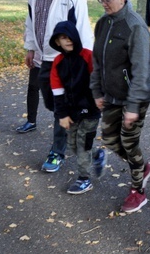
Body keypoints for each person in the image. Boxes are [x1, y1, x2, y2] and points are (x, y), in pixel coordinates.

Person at [21, 0, 94, 174]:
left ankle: (57, 152)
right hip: (43, 60)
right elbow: (31, 23)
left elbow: (83, 32)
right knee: (53, 105)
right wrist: (30, 48)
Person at [91, 0, 150, 213]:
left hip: (135, 95)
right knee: (110, 140)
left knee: (129, 143)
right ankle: (142, 166)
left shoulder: (135, 26)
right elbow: (97, 61)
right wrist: (97, 90)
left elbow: (141, 71)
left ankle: (138, 192)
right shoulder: (102, 24)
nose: (104, 4)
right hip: (110, 94)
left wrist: (132, 106)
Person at [48, 21, 102, 194]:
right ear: (57, 42)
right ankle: (97, 155)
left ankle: (84, 179)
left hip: (90, 110)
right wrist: (61, 115)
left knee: (82, 143)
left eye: (70, 36)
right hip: (71, 112)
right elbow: (57, 92)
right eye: (63, 38)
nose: (68, 40)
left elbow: (99, 80)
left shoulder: (88, 56)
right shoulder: (58, 62)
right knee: (72, 144)